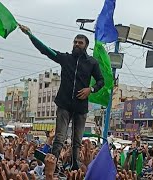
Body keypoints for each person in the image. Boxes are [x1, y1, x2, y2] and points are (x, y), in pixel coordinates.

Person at [19, 24, 105, 170]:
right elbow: (46, 51)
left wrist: (90, 89)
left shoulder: (92, 63)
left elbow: (101, 81)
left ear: (86, 46)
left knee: (77, 140)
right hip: (64, 104)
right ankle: (52, 164)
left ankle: (74, 166)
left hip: (81, 106)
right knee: (60, 137)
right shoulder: (65, 58)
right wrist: (30, 35)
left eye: (80, 43)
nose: (77, 45)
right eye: (75, 42)